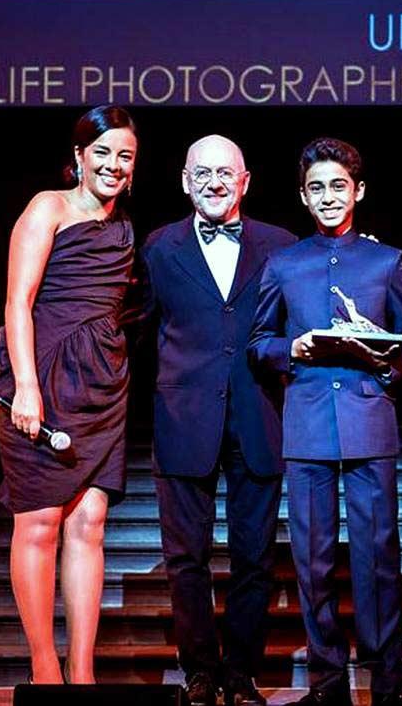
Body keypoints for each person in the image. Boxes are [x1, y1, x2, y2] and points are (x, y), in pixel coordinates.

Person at [248, 138, 402, 706]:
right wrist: (289, 349)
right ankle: (327, 684)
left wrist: (387, 355)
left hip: (370, 422)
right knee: (313, 562)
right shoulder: (284, 263)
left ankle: (386, 685)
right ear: (303, 196)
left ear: (359, 191)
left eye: (337, 186)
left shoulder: (385, 261)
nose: (328, 197)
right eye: (316, 187)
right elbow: (258, 343)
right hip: (306, 429)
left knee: (378, 561)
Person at [140, 135, 296, 706]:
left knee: (254, 557)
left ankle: (241, 672)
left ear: (245, 181)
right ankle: (199, 672)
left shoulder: (281, 245)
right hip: (182, 420)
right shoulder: (159, 248)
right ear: (184, 181)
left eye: (225, 173)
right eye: (202, 173)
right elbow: (136, 329)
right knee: (187, 558)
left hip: (258, 416)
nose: (214, 182)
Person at [0, 105, 138, 684]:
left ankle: (84, 676)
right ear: (78, 156)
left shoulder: (125, 229)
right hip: (41, 374)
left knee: (91, 521)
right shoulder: (47, 207)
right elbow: (17, 304)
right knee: (39, 523)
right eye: (102, 152)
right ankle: (45, 668)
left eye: (125, 156)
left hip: (101, 382)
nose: (113, 164)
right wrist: (26, 386)